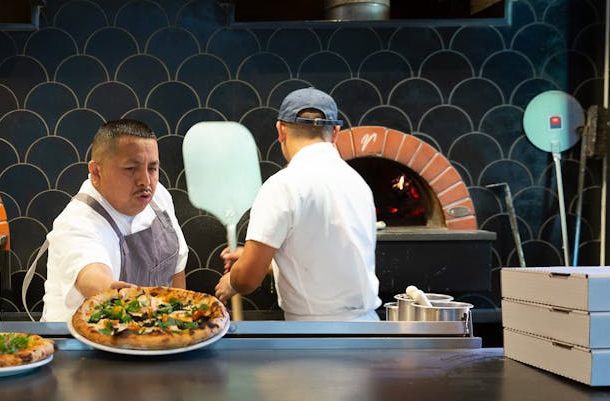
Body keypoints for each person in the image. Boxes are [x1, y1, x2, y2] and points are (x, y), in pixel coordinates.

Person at [214, 87, 381, 321]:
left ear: (280, 130)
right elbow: (328, 257)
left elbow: (248, 280)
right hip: (368, 329)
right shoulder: (358, 183)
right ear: (335, 132)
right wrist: (264, 258)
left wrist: (231, 282)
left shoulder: (282, 185)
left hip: (315, 337)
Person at [34, 119, 189, 323]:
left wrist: (179, 324)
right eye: (131, 168)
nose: (145, 181)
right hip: (79, 345)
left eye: (152, 168)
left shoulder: (158, 198)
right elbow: (90, 274)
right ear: (96, 172)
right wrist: (109, 289)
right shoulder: (76, 221)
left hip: (150, 337)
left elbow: (176, 271)